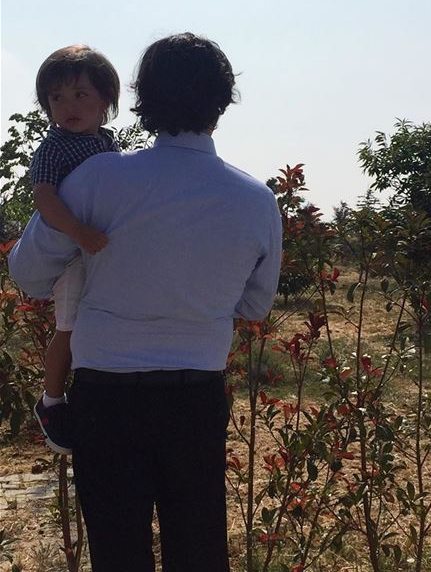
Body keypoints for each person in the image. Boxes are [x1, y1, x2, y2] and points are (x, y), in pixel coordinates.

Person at [9, 33, 282, 571]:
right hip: (195, 398)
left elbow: (29, 274)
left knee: (118, 552)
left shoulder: (98, 178)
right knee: (199, 549)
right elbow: (254, 308)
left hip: (105, 400)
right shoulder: (255, 201)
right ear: (223, 103)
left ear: (137, 98)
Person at [30, 45, 121, 455]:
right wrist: (79, 231)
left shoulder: (107, 142)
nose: (68, 106)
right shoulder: (55, 147)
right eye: (56, 98)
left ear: (106, 101)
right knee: (68, 329)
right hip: (71, 257)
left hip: (96, 253)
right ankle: (50, 402)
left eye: (81, 95)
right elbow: (44, 199)